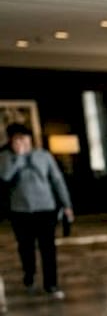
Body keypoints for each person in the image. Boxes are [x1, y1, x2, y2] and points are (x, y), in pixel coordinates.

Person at [0, 123, 74, 299]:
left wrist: (67, 204)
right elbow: (5, 177)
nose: (22, 142)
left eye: (24, 138)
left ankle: (51, 284)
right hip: (20, 211)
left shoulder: (44, 155)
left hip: (46, 208)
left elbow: (57, 180)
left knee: (48, 248)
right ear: (11, 141)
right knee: (26, 248)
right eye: (17, 139)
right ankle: (29, 275)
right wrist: (19, 158)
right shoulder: (5, 157)